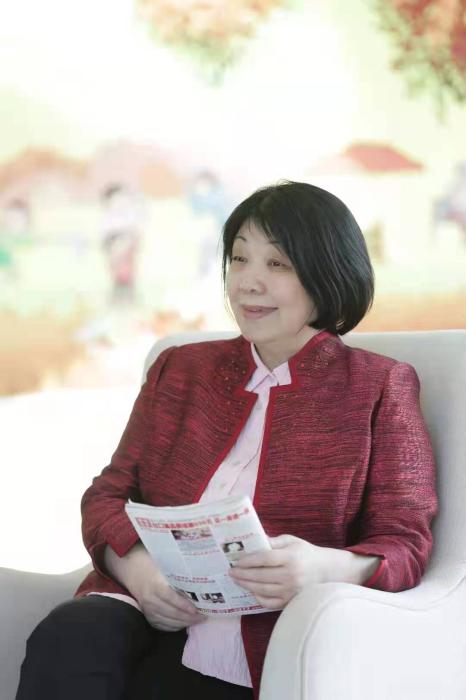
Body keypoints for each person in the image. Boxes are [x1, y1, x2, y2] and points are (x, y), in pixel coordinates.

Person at [16, 181, 438, 700]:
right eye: (239, 259)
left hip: (269, 636)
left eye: (276, 264)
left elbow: (405, 544)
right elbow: (106, 497)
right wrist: (141, 574)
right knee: (70, 636)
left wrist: (322, 568)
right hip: (147, 610)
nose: (248, 283)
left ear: (327, 272)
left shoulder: (380, 385)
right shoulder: (180, 369)